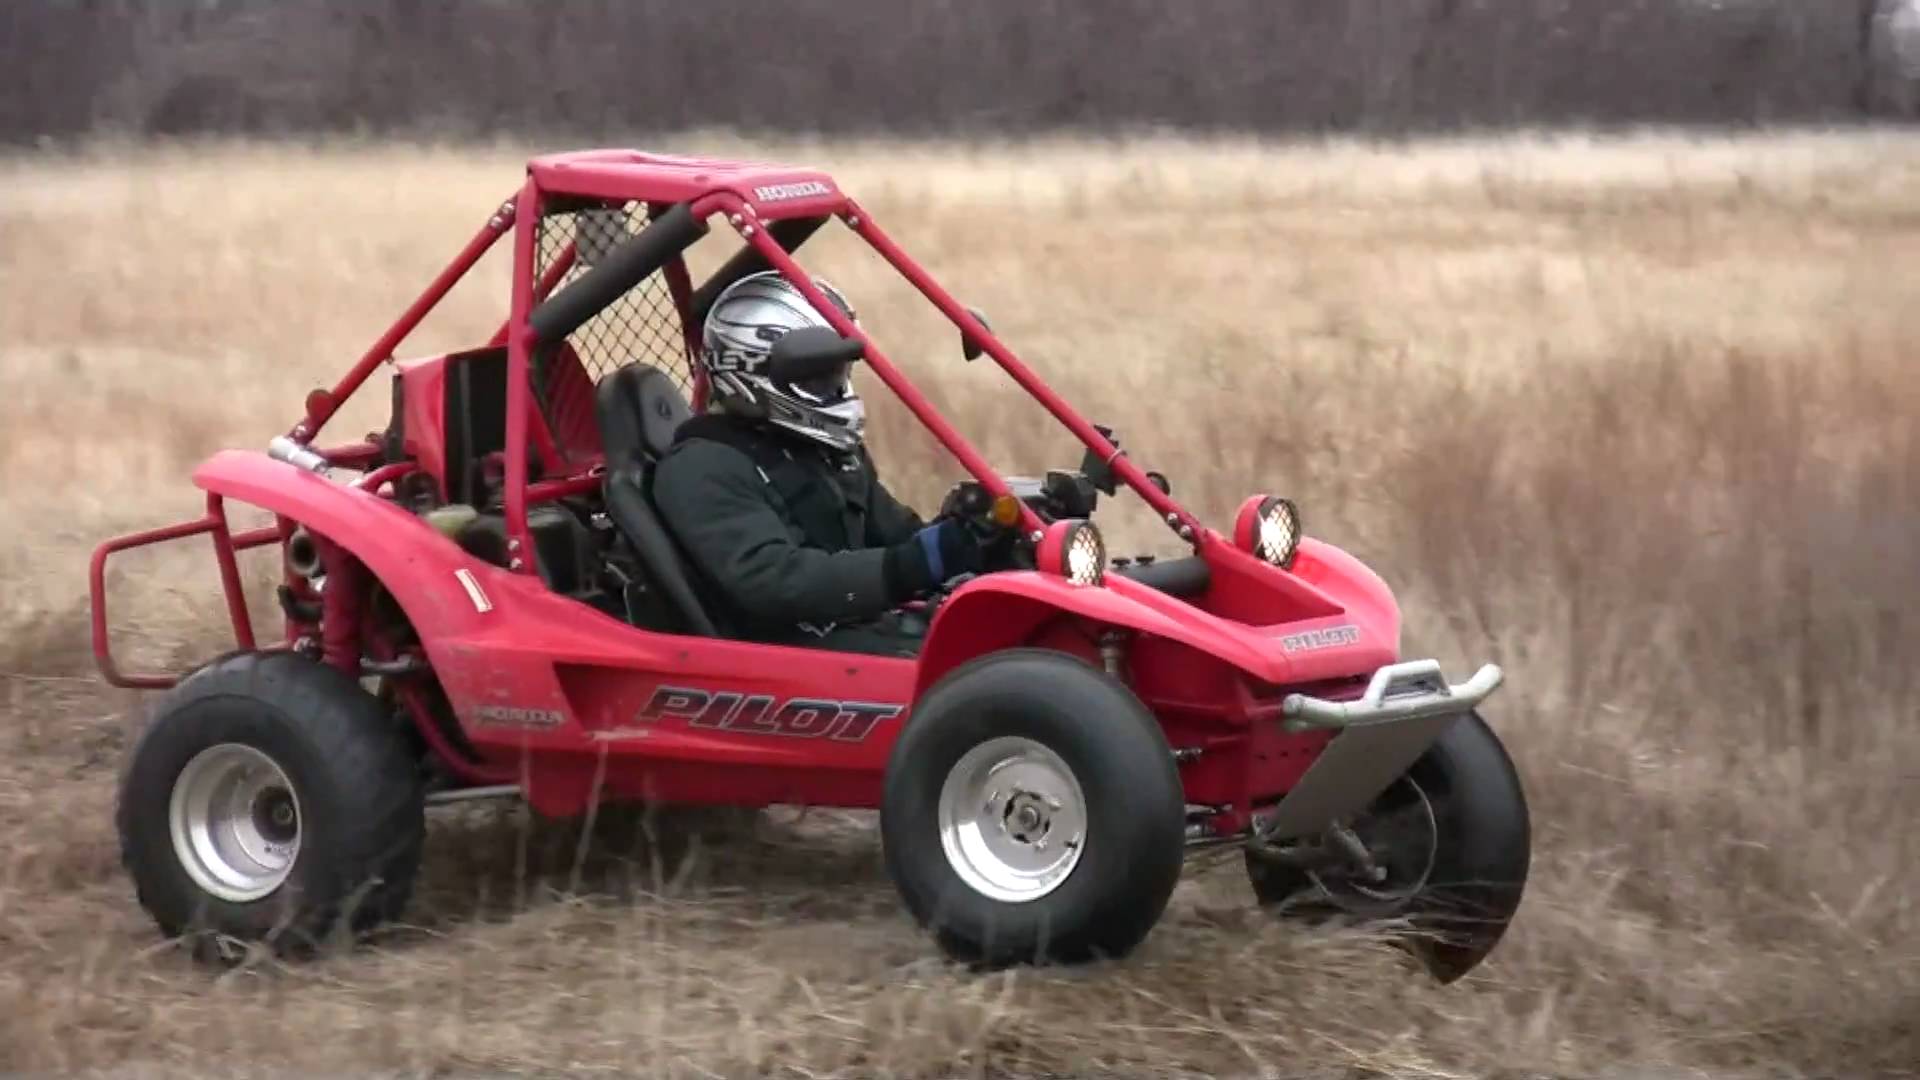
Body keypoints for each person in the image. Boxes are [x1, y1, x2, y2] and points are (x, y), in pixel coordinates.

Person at [650, 271, 982, 656]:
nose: (837, 391)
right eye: (818, 379)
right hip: (776, 653)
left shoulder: (824, 450)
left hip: (847, 629)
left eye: (838, 375)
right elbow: (774, 582)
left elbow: (897, 537)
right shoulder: (701, 467)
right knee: (968, 667)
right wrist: (914, 564)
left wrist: (968, 532)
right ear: (749, 372)